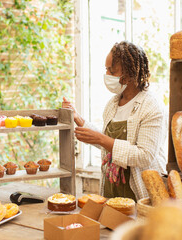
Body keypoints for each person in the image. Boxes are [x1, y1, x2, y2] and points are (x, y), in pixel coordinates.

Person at [62, 41, 167, 201]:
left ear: (131, 73)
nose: (108, 75)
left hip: (140, 196)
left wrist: (101, 139)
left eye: (113, 70)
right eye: (106, 69)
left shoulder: (151, 106)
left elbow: (145, 156)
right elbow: (107, 142)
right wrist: (78, 118)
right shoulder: (113, 104)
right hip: (113, 192)